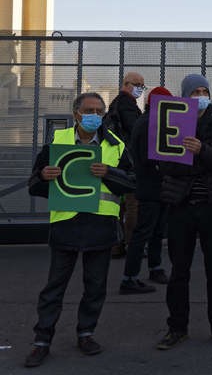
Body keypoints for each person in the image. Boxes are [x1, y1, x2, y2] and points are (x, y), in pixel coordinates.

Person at [24, 92, 136, 368]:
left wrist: (109, 173)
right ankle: (42, 340)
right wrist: (43, 176)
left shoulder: (116, 145)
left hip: (101, 226)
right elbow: (33, 184)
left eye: (99, 111)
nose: (95, 116)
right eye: (89, 110)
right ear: (76, 114)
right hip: (66, 225)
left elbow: (133, 184)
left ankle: (86, 333)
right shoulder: (57, 142)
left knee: (95, 286)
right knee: (54, 288)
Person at [157, 74, 212, 350]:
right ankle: (176, 327)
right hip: (181, 208)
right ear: (185, 96)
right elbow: (166, 167)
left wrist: (201, 150)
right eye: (195, 92)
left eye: (204, 90)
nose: (200, 96)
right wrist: (202, 159)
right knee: (179, 271)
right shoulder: (171, 123)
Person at [119, 86, 173, 294]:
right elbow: (149, 157)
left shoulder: (149, 121)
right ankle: (129, 278)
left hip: (153, 186)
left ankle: (154, 268)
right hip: (152, 186)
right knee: (145, 232)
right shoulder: (151, 124)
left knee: (155, 231)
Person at [105, 72, 146, 258]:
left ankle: (116, 245)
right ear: (126, 84)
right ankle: (132, 245)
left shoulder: (116, 103)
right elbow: (135, 130)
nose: (139, 88)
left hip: (117, 160)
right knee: (133, 205)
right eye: (136, 84)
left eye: (141, 85)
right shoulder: (127, 104)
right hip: (130, 162)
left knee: (118, 206)